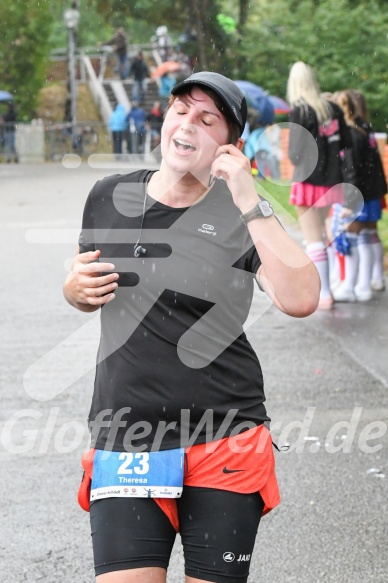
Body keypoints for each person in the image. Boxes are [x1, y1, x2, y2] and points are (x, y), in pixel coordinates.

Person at [64, 71, 320, 583]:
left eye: (209, 120)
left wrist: (249, 196)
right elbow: (87, 286)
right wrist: (74, 290)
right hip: (126, 434)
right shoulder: (106, 196)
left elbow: (301, 298)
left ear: (230, 145)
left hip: (223, 435)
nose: (189, 125)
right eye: (182, 111)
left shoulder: (241, 216)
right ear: (165, 119)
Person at [287, 61, 352, 310]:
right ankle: (332, 284)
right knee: (325, 237)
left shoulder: (301, 112)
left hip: (309, 179)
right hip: (334, 180)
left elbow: (294, 154)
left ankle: (323, 293)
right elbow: (346, 142)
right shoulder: (332, 108)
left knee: (314, 239)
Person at [331, 89, 387, 301]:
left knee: (353, 237)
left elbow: (353, 169)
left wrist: (350, 200)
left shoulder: (351, 133)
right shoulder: (366, 128)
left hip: (359, 193)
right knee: (368, 236)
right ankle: (369, 282)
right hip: (372, 191)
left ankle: (352, 287)